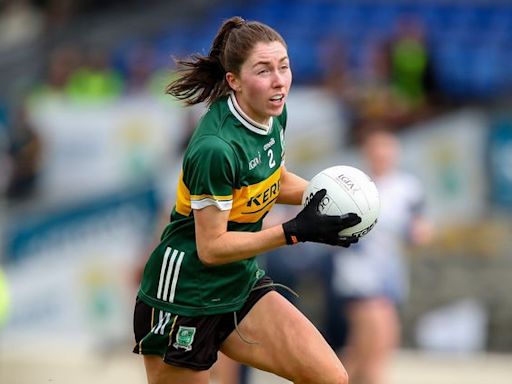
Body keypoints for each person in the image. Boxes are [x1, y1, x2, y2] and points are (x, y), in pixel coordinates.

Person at [132, 16, 363, 384]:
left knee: (331, 377)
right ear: (233, 80)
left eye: (283, 67)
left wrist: (327, 200)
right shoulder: (216, 149)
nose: (279, 81)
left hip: (238, 284)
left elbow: (275, 178)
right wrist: (295, 231)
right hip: (184, 295)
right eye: (264, 70)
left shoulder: (273, 114)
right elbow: (211, 247)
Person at [331, 128, 433, 384]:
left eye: (387, 148)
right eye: (376, 147)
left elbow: (418, 226)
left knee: (365, 348)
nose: (382, 154)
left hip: (389, 271)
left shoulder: (406, 187)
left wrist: (418, 231)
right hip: (359, 272)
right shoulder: (353, 186)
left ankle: (332, 378)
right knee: (377, 344)